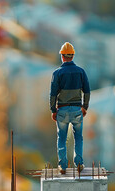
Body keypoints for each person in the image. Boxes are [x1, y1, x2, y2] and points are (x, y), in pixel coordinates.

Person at [49, 42, 90, 174]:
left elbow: (53, 94)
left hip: (62, 109)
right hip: (77, 110)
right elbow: (87, 91)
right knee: (78, 137)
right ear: (72, 56)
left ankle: (62, 166)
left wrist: (53, 110)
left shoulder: (57, 73)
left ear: (62, 56)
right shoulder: (81, 72)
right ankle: (79, 164)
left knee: (62, 138)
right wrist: (85, 107)